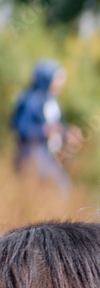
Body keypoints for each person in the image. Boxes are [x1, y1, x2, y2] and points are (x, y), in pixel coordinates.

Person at [9, 58, 81, 192]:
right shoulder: (30, 100)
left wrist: (67, 131)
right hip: (32, 156)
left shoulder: (52, 101)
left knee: (64, 190)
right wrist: (44, 131)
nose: (60, 84)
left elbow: (56, 125)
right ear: (46, 79)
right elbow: (20, 128)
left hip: (50, 156)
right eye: (57, 79)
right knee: (58, 190)